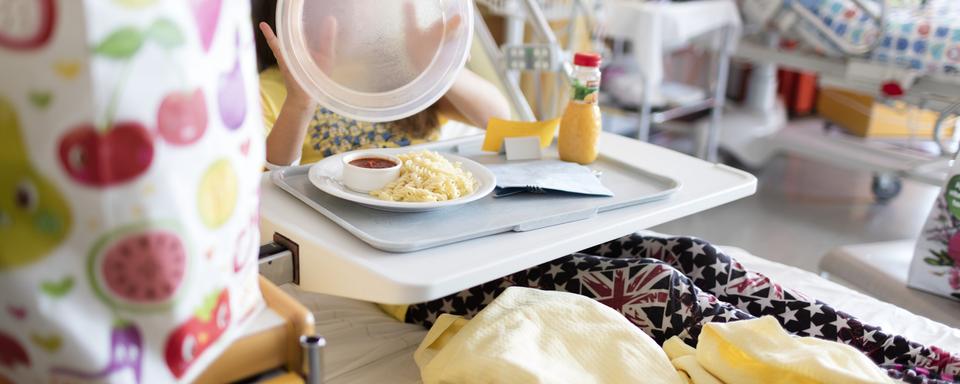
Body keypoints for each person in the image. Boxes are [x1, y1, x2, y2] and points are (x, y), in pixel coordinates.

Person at [253, 5, 959, 382]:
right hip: (420, 273)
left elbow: (495, 114)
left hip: (505, 229)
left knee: (695, 254)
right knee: (651, 280)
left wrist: (422, 51)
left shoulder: (415, 92)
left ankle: (908, 359)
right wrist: (307, 93)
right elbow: (266, 188)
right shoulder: (273, 93)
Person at [254, 1, 511, 167]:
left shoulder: (402, 69)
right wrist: (300, 103)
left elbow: (498, 119)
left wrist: (437, 68)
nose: (351, 7)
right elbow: (269, 178)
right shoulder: (270, 91)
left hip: (425, 206)